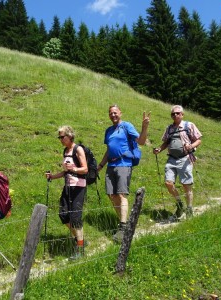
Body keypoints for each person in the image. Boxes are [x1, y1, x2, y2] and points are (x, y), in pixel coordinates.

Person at [97, 105, 150, 243]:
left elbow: (142, 142)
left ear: (120, 113)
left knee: (121, 194)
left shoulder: (127, 126)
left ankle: (122, 227)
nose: (113, 115)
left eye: (115, 112)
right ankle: (124, 223)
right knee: (111, 195)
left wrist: (144, 127)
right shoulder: (108, 131)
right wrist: (101, 165)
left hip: (124, 164)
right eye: (110, 113)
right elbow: (109, 150)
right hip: (111, 165)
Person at [153, 105, 202, 221]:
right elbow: (166, 142)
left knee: (186, 185)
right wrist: (159, 149)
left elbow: (198, 140)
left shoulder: (188, 125)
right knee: (168, 183)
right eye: (173, 114)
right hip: (171, 159)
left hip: (185, 158)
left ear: (182, 114)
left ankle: (189, 208)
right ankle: (179, 204)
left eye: (177, 113)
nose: (175, 115)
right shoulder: (169, 128)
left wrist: (191, 146)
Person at [46, 125, 88, 259]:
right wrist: (52, 177)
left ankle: (80, 249)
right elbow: (65, 172)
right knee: (63, 215)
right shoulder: (65, 151)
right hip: (68, 186)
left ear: (70, 136)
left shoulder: (78, 149)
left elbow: (85, 169)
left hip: (78, 187)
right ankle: (79, 240)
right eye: (59, 137)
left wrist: (74, 169)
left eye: (62, 137)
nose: (60, 139)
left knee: (75, 218)